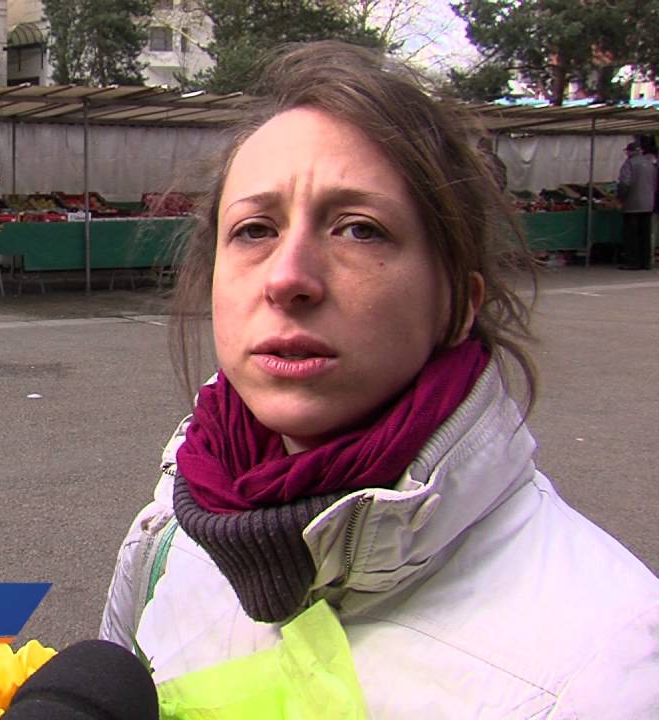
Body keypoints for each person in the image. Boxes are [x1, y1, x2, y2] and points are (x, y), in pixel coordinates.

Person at [100, 42, 659, 715]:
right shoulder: (170, 537)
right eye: (254, 230)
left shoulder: (613, 662)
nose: (288, 277)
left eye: (359, 230)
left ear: (458, 302)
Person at [617, 140, 656, 270]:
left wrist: (621, 198)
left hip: (632, 204)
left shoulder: (629, 164)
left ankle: (632, 262)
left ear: (630, 152)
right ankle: (645, 262)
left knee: (632, 235)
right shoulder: (651, 164)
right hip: (649, 203)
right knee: (645, 234)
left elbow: (624, 183)